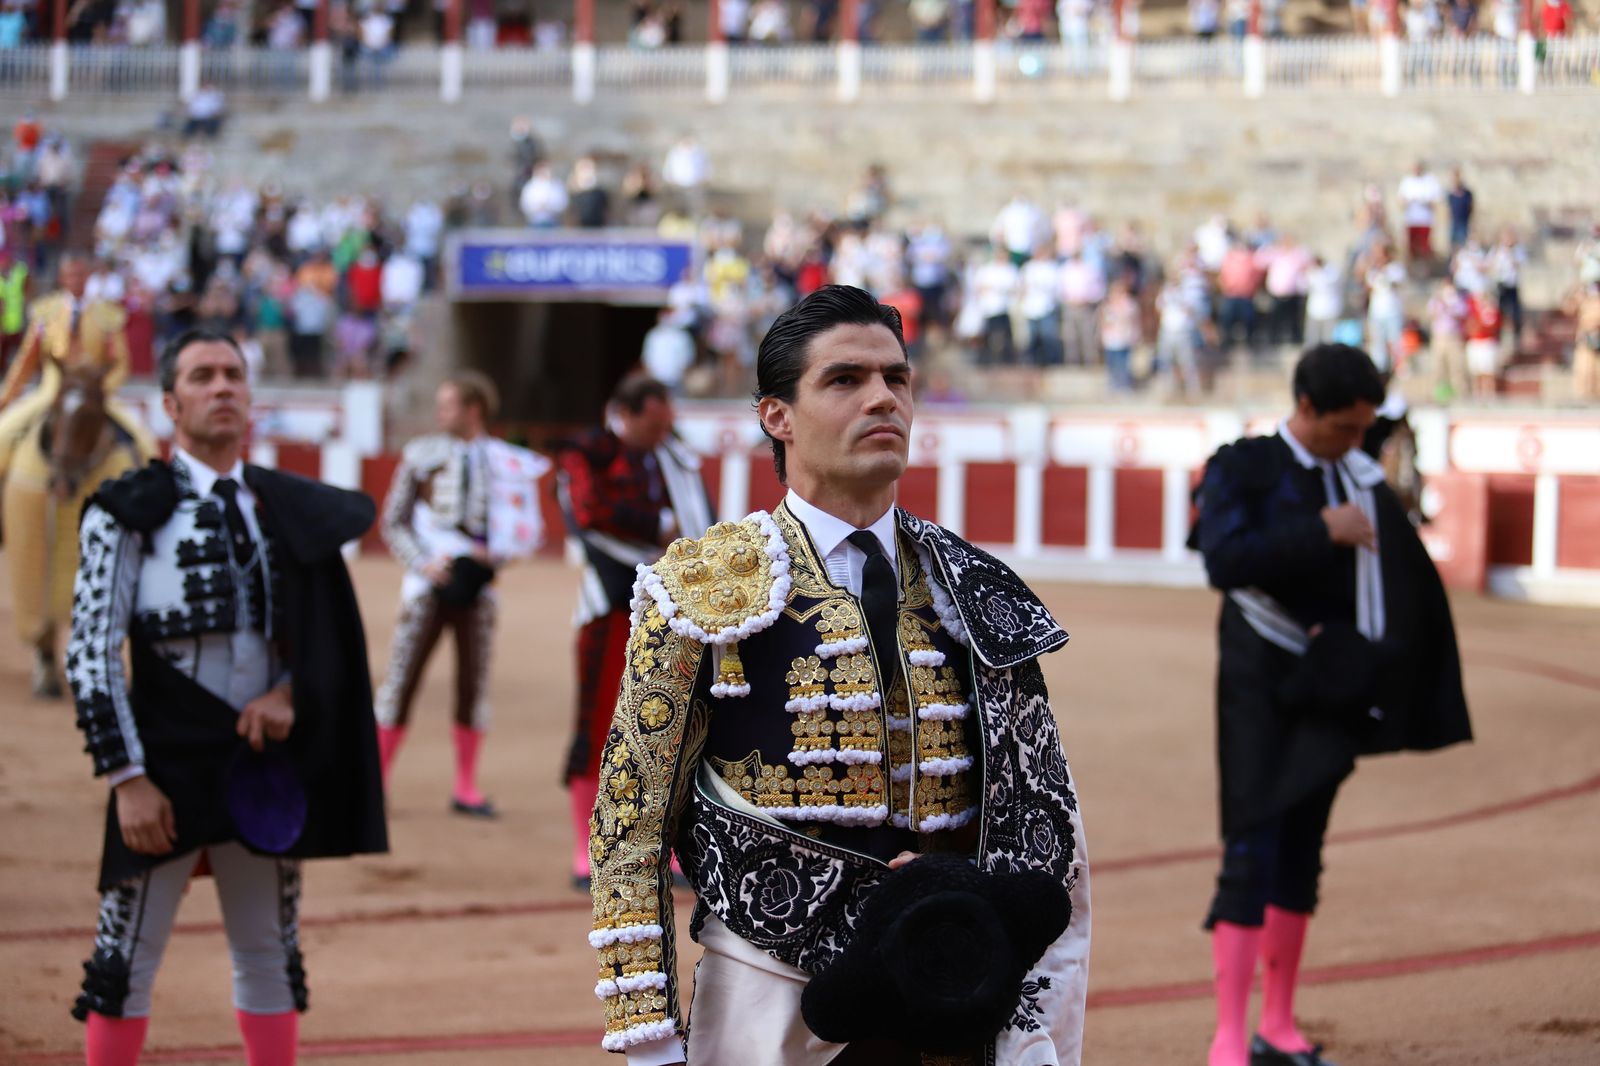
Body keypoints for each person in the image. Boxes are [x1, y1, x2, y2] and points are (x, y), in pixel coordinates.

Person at [587, 286, 1090, 1065]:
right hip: (770, 992)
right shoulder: (695, 589)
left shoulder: (977, 586)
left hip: (961, 987)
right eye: (845, 380)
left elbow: (1038, 818)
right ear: (776, 417)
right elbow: (632, 821)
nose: (883, 399)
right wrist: (650, 1040)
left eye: (897, 378)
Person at [63, 329, 387, 1066]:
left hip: (261, 761)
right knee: (123, 963)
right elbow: (90, 653)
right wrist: (127, 779)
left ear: (251, 398)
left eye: (233, 376)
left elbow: (320, 638)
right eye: (202, 376)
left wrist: (289, 692)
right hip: (163, 764)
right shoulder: (125, 510)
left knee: (270, 952)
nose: (221, 388)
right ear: (171, 403)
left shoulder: (281, 508)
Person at [1189, 344, 1471, 1066]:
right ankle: (1228, 1041)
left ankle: (1277, 1028)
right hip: (1258, 687)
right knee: (1251, 848)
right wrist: (1324, 530)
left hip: (1327, 689)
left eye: (1363, 429)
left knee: (1303, 852)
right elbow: (1223, 560)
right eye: (1344, 427)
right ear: (1306, 408)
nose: (1356, 442)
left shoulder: (1358, 472)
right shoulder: (1242, 464)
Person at [555, 375, 713, 890]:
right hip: (609, 607)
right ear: (628, 413)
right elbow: (589, 512)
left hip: (669, 609)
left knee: (667, 728)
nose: (663, 433)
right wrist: (659, 524)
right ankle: (586, 850)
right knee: (598, 723)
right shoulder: (591, 451)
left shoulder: (672, 459)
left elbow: (700, 524)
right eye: (654, 423)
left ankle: (657, 847)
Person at [373, 371, 550, 817]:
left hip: (479, 587)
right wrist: (422, 562)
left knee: (473, 685)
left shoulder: (508, 462)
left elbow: (523, 527)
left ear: (473, 409)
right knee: (400, 680)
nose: (440, 413)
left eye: (448, 405)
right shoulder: (422, 456)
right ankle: (375, 784)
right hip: (429, 582)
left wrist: (502, 556)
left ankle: (465, 787)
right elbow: (393, 520)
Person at [0, 254, 156, 485]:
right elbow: (25, 361)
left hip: (97, 395)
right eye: (70, 275)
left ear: (88, 276)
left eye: (79, 274)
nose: (75, 280)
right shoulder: (46, 312)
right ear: (62, 278)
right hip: (50, 392)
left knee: (146, 443)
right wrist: (6, 397)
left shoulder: (107, 314)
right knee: (3, 435)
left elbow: (122, 363)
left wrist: (100, 390)